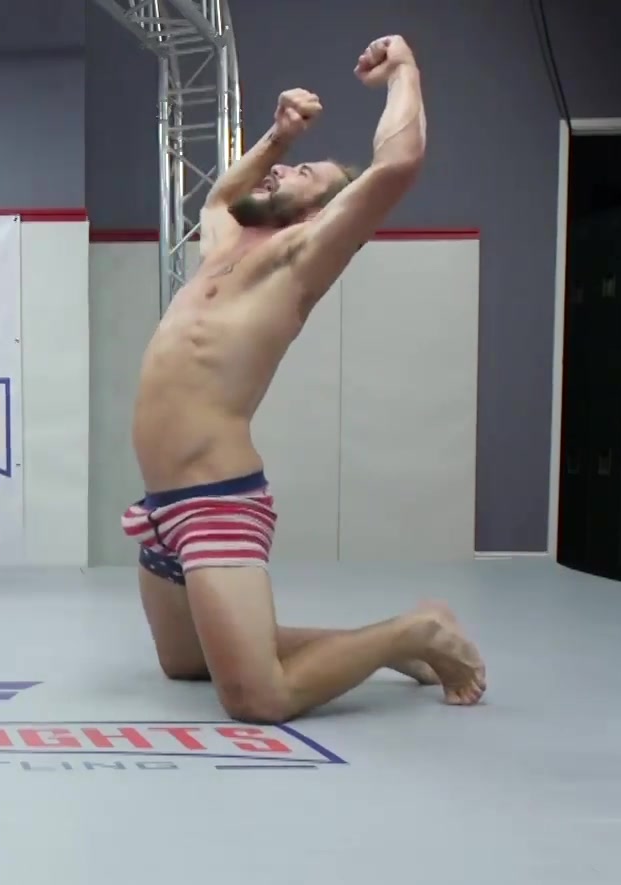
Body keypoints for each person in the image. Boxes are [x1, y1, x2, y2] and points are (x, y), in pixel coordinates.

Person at [121, 35, 487, 722]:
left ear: (321, 209)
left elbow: (399, 162)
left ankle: (412, 632)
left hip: (215, 500)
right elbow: (218, 198)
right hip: (161, 504)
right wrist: (279, 137)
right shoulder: (226, 244)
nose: (283, 172)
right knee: (185, 661)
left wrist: (404, 70)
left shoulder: (303, 255)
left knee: (257, 697)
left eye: (302, 172)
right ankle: (374, 646)